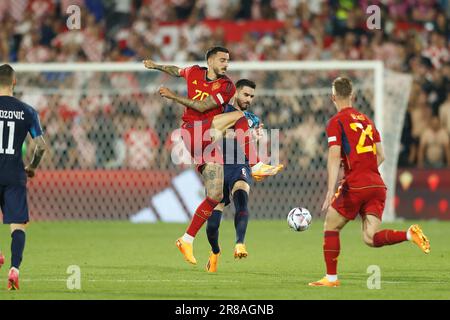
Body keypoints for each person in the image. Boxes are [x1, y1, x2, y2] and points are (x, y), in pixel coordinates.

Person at [143, 47, 283, 265]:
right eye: (222, 60)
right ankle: (255, 165)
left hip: (206, 138)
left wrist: (173, 96)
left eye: (228, 60)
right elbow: (176, 70)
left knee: (215, 196)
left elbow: (202, 106)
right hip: (193, 130)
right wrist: (157, 66)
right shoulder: (194, 72)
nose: (226, 64)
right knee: (239, 116)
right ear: (209, 61)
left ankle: (186, 239)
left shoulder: (227, 86)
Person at [309, 77, 430, 287]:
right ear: (353, 96)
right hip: (376, 184)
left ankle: (331, 279)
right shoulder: (367, 120)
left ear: (333, 97)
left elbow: (333, 155)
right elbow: (381, 155)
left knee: (330, 225)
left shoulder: (336, 121)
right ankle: (409, 234)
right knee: (370, 238)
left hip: (356, 184)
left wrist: (330, 190)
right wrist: (365, 169)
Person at [205, 79, 264, 273]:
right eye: (246, 94)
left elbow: (251, 144)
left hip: (240, 164)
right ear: (236, 93)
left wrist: (257, 139)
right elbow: (212, 134)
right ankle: (215, 251)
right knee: (212, 226)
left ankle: (240, 243)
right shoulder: (222, 111)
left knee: (241, 198)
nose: (249, 99)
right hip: (219, 166)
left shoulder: (253, 119)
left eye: (252, 96)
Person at [0, 64, 47, 290]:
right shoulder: (28, 111)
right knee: (18, 224)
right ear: (14, 82)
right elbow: (41, 146)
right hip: (14, 174)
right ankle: (14, 269)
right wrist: (32, 167)